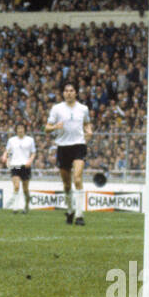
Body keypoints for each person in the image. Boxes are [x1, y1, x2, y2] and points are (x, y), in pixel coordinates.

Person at [46, 82, 92, 225]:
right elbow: (46, 128)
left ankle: (79, 215)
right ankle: (70, 210)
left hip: (78, 145)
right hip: (63, 147)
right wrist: (54, 127)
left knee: (77, 178)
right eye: (66, 91)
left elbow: (87, 123)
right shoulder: (57, 108)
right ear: (63, 93)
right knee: (66, 184)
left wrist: (89, 131)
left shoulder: (83, 109)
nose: (69, 93)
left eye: (71, 90)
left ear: (76, 93)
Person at [3, 125, 36, 214]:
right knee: (16, 186)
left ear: (25, 130)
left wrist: (30, 161)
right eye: (18, 129)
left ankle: (26, 206)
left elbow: (33, 153)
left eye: (22, 128)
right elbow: (9, 151)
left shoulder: (30, 140)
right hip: (15, 165)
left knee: (25, 189)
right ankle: (15, 208)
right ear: (16, 130)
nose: (20, 130)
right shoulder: (12, 140)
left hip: (25, 166)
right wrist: (6, 157)